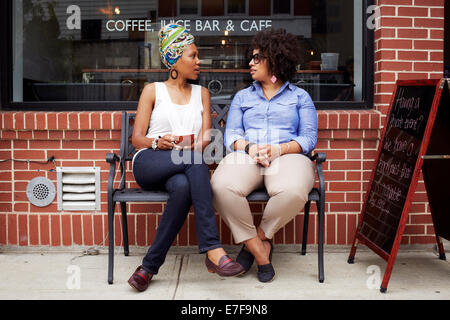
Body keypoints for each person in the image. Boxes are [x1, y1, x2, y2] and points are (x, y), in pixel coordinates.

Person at [128, 24, 244, 292]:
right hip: (150, 160)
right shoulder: (152, 90)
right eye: (192, 56)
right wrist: (159, 141)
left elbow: (205, 139)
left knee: (182, 187)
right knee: (194, 160)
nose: (198, 61)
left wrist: (181, 143)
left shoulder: (201, 93)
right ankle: (213, 249)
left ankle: (147, 268)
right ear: (174, 59)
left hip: (184, 163)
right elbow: (137, 139)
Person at [211, 29, 318, 283]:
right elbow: (231, 135)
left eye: (257, 58)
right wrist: (249, 148)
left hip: (287, 156)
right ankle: (260, 251)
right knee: (220, 186)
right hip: (248, 155)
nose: (250, 62)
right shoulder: (243, 97)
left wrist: (280, 149)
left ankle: (256, 239)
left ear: (275, 59)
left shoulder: (300, 97)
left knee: (293, 191)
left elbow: (308, 139)